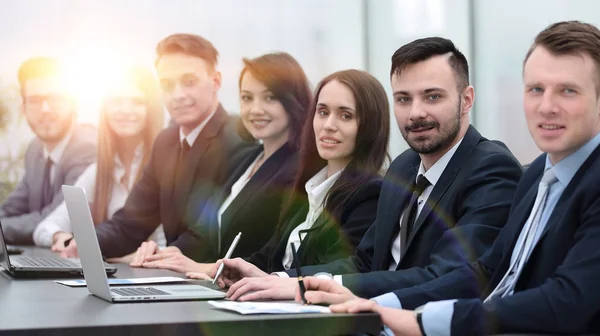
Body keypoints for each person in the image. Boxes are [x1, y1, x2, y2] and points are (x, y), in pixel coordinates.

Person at [302, 21, 600, 336]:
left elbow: (566, 302)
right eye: (536, 90)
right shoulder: (540, 172)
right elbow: (486, 271)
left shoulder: (502, 168)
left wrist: (422, 321)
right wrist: (386, 306)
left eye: (568, 91)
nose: (546, 107)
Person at [207, 37, 522, 302]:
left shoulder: (490, 168)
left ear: (466, 100)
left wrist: (306, 287)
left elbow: (447, 277)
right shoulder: (405, 166)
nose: (416, 112)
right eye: (403, 98)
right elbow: (365, 261)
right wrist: (275, 278)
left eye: (432, 96)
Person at [189, 69, 390, 300]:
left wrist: (276, 279)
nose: (328, 125)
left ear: (370, 126)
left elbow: (342, 269)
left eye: (345, 116)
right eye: (323, 112)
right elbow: (272, 255)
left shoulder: (371, 193)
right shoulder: (310, 185)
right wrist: (235, 270)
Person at [61, 33, 250, 260]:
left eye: (189, 82)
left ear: (216, 81)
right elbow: (131, 222)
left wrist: (159, 256)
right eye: (167, 85)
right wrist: (85, 242)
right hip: (172, 279)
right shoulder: (166, 142)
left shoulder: (238, 140)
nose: (178, 95)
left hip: (214, 284)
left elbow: (211, 234)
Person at [137, 52, 312, 271]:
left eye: (270, 97)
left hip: (251, 293)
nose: (255, 109)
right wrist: (172, 253)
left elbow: (275, 253)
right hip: (218, 288)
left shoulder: (301, 168)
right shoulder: (248, 158)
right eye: (247, 98)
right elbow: (207, 231)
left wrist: (206, 269)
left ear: (293, 100)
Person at [33, 66, 166, 258]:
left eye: (137, 102)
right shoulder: (99, 171)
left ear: (151, 108)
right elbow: (45, 227)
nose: (125, 110)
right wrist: (68, 241)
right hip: (115, 280)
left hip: (159, 280)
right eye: (116, 101)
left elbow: (167, 248)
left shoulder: (165, 167)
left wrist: (107, 256)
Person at [0, 57, 96, 245]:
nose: (45, 109)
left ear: (72, 102)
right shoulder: (35, 149)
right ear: (24, 108)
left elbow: (55, 216)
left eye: (54, 98)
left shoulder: (87, 147)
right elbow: (13, 207)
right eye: (35, 100)